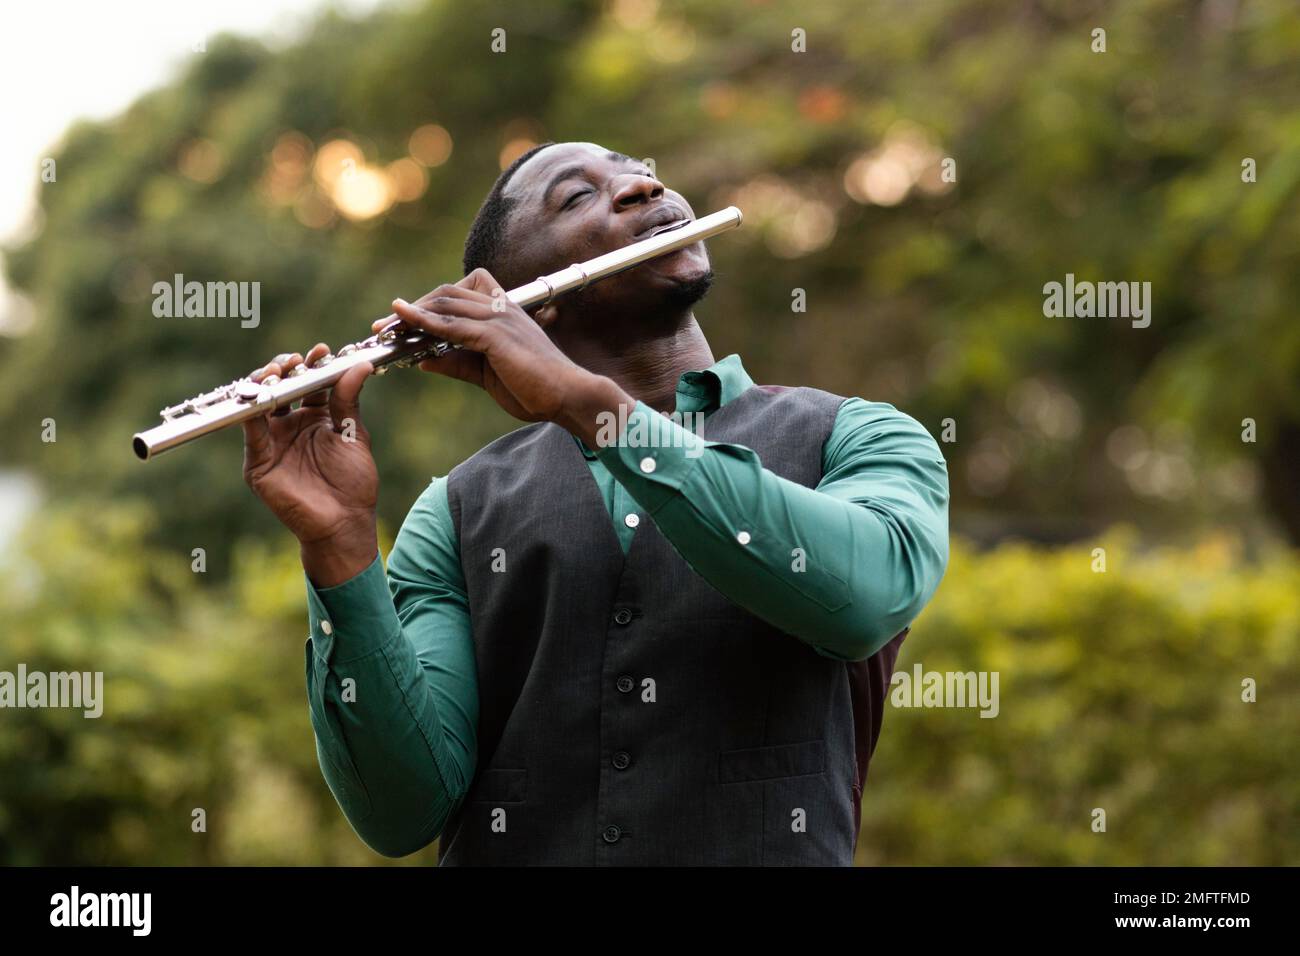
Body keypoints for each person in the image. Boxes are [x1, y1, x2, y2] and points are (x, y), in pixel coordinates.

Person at [241, 141, 949, 865]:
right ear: (524, 303)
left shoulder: (859, 436)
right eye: (577, 197)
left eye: (641, 171)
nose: (642, 187)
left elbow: (866, 597)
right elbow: (401, 812)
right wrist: (339, 545)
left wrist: (585, 404)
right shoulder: (454, 512)